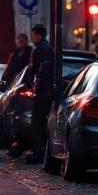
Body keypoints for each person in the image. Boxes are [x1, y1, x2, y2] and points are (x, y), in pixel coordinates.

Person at [25, 24, 55, 163]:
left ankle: (39, 151)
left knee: (37, 121)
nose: (32, 37)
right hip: (43, 90)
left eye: (34, 34)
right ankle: (40, 150)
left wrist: (34, 85)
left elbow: (41, 71)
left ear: (39, 35)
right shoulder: (44, 48)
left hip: (42, 91)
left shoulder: (42, 50)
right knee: (40, 121)